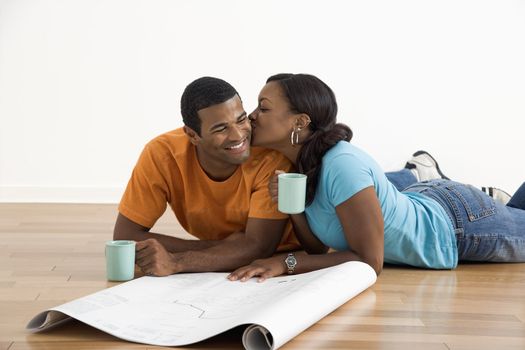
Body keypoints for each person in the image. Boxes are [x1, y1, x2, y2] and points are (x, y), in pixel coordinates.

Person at [227, 73, 525, 282]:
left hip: (456, 224)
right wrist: (292, 208)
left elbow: (371, 261)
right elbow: (316, 249)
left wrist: (285, 263)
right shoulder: (301, 165)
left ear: (300, 122)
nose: (252, 116)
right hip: (424, 198)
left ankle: (489, 201)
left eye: (263, 108)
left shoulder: (342, 165)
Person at [114, 77, 299, 277]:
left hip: (292, 255)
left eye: (241, 119)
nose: (238, 135)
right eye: (221, 128)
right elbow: (125, 238)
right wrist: (223, 247)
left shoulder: (270, 158)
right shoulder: (162, 153)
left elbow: (259, 247)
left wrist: (177, 261)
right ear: (193, 135)